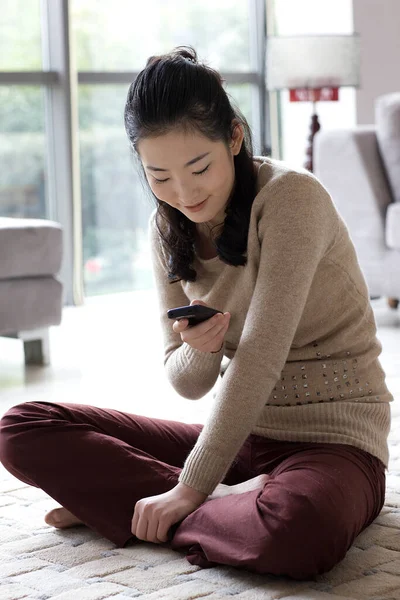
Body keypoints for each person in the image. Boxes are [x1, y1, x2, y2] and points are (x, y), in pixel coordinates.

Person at [0, 46, 393, 581]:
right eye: (159, 176)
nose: (183, 194)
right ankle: (217, 506)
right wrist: (199, 347)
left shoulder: (290, 200)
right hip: (241, 442)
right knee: (22, 427)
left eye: (199, 167)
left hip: (335, 447)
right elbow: (185, 383)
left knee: (299, 532)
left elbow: (260, 356)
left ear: (233, 137)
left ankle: (135, 509)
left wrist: (189, 489)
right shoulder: (166, 230)